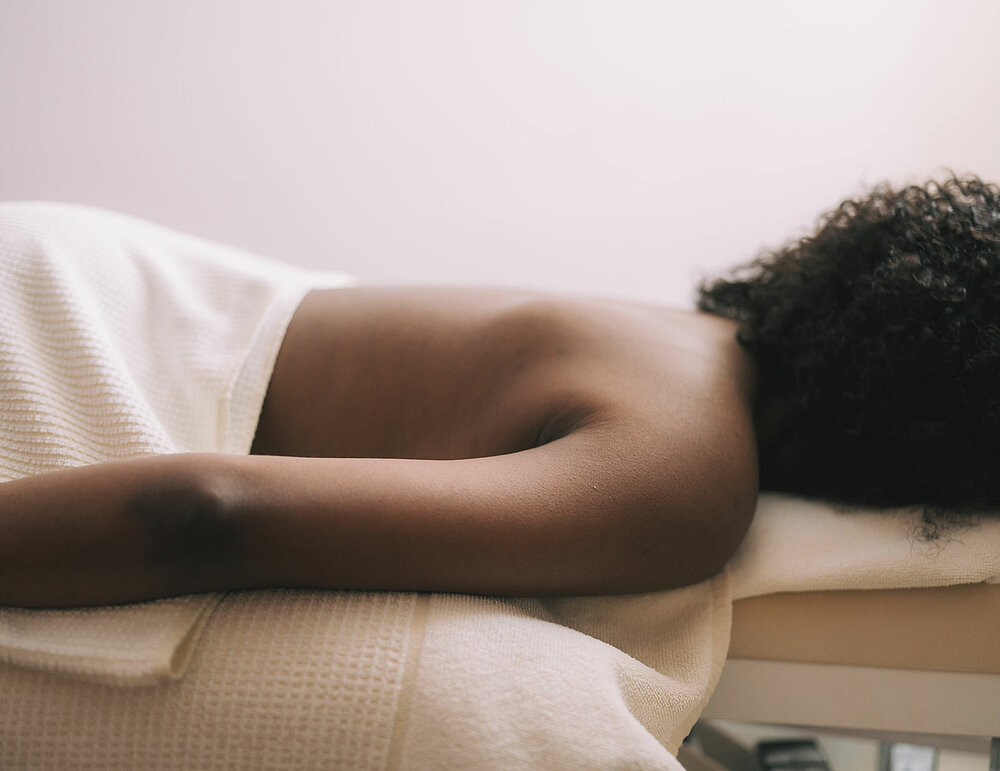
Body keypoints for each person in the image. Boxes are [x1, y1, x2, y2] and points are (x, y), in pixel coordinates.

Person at [1, 175, 996, 609]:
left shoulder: (683, 340)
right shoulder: (685, 467)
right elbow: (196, 516)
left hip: (67, 258)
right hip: (51, 346)